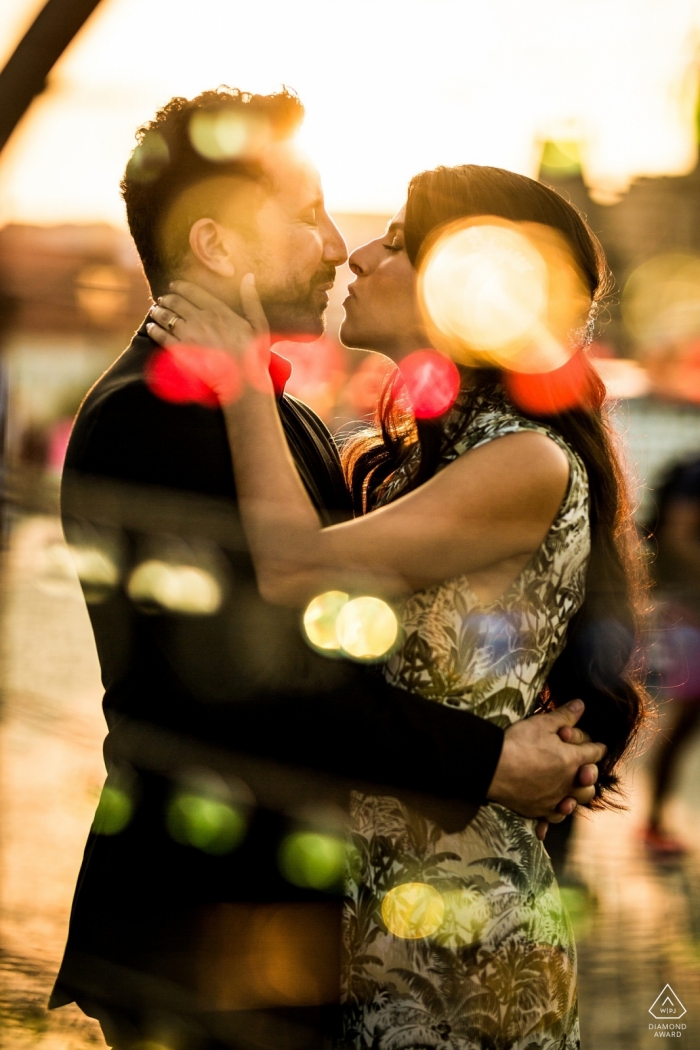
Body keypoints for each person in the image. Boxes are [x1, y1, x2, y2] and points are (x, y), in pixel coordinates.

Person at [50, 87, 604, 1050]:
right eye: (307, 216)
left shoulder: (281, 419)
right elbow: (266, 687)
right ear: (219, 247)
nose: (339, 247)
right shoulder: (155, 421)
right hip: (207, 936)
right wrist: (491, 761)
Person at [644, 456, 700, 855]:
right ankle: (655, 820)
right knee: (682, 723)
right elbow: (677, 535)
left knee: (685, 724)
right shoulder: (695, 474)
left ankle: (656, 819)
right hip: (686, 611)